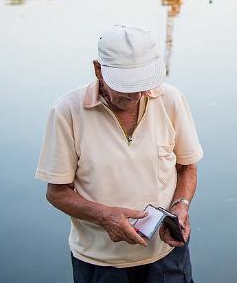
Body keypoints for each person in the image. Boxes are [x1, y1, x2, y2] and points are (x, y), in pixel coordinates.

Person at [36, 25, 203, 283]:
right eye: (127, 87)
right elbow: (57, 192)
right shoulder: (66, 112)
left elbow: (187, 167)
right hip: (100, 264)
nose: (137, 96)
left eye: (143, 85)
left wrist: (181, 206)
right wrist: (104, 216)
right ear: (98, 70)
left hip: (167, 257)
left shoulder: (171, 99)